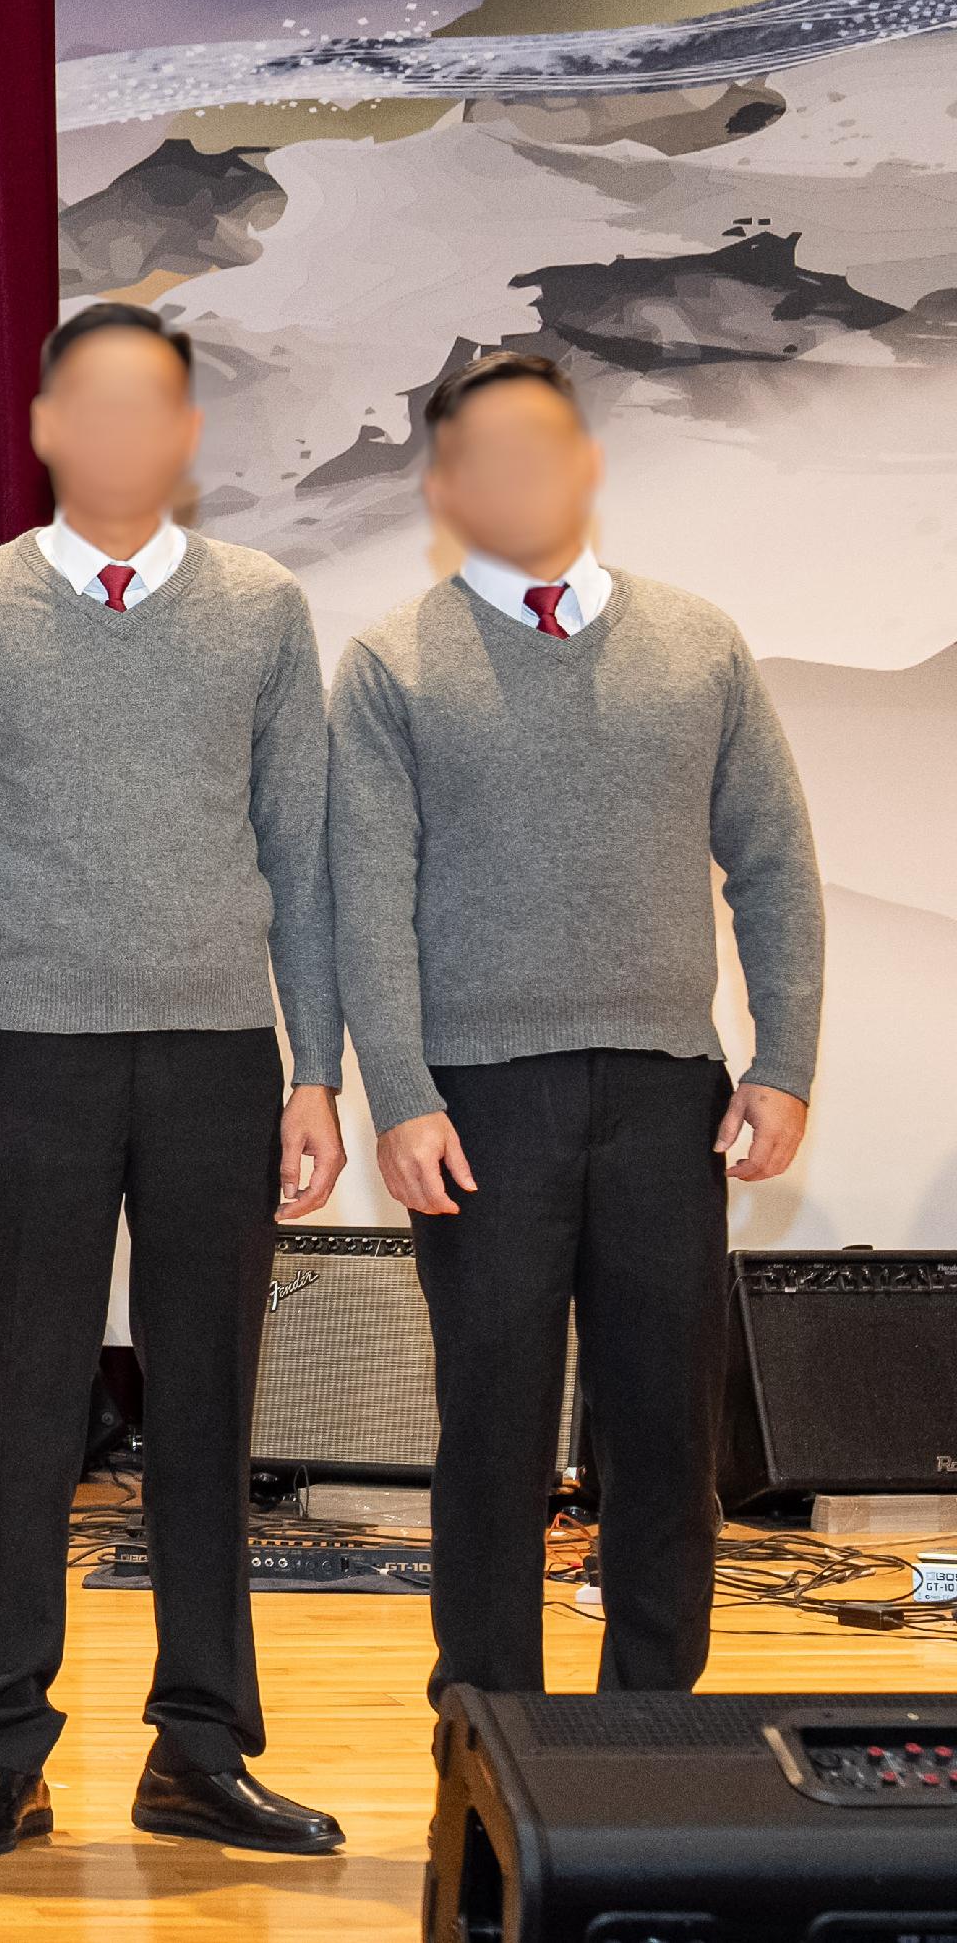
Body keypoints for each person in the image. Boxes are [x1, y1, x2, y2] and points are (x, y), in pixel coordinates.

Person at [0, 300, 348, 1862]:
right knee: (23, 1408)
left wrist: (319, 1069)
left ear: (183, 434)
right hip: (29, 1053)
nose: (114, 431)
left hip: (226, 1054)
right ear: (40, 430)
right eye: (83, 403)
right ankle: (1, 1750)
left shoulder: (262, 606)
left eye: (145, 403)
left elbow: (305, 847)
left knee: (209, 1412)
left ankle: (204, 1748)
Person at [328, 350, 820, 1700]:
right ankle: (486, 1730)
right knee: (491, 1430)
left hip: (671, 1094)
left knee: (667, 1431)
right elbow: (364, 905)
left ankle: (653, 1735)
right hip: (477, 1106)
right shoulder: (388, 665)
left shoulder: (699, 642)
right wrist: (401, 1094)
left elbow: (772, 860)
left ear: (588, 461)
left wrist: (783, 1061)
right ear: (444, 485)